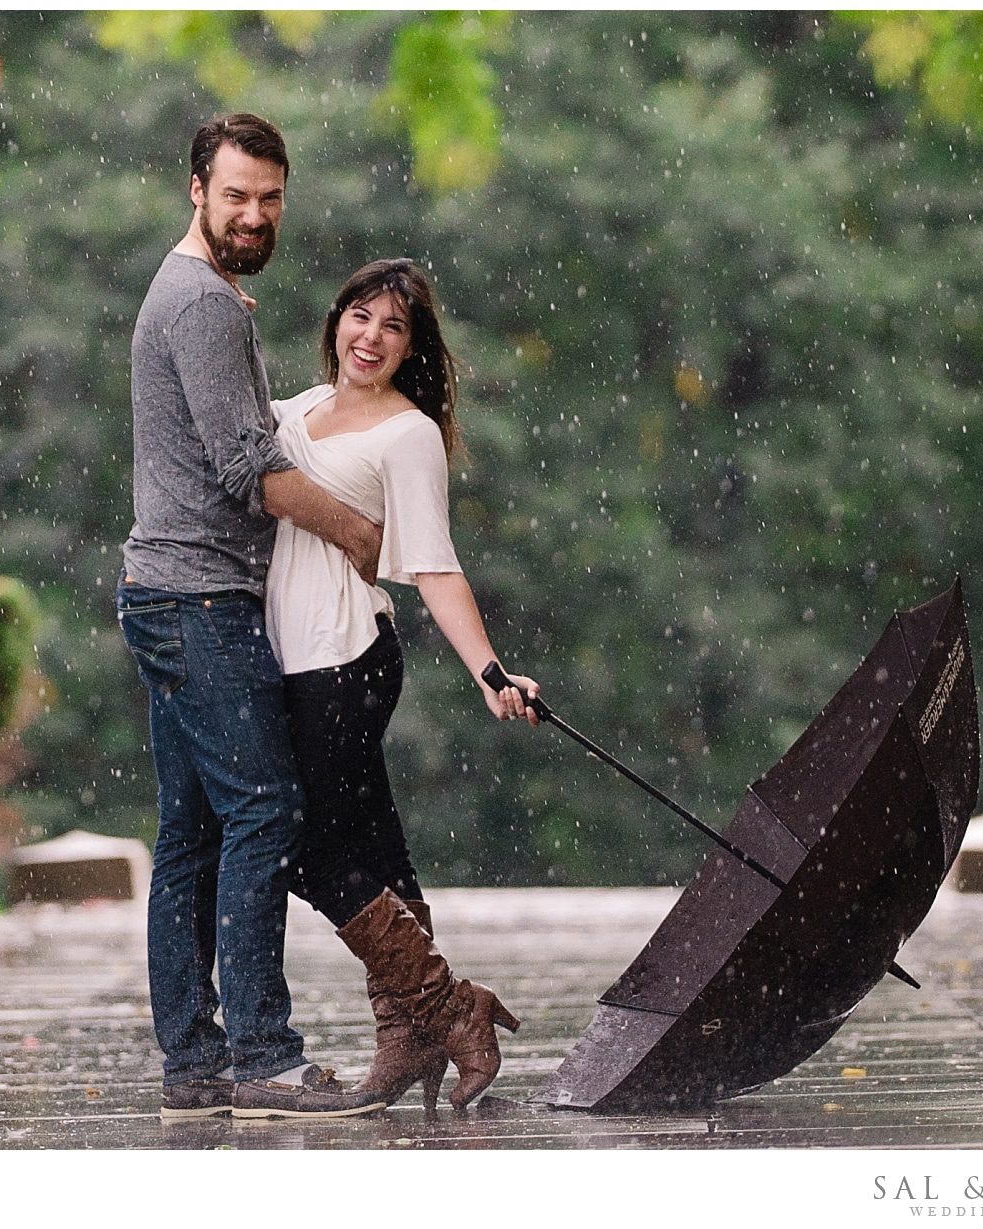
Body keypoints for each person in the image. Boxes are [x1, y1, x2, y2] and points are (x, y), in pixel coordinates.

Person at [118, 113, 388, 1120]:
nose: (253, 214)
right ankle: (263, 1057)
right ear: (196, 189)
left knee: (192, 833)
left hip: (169, 592)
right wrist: (357, 532)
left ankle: (193, 1067)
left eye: (269, 198)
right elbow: (247, 466)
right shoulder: (202, 303)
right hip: (197, 598)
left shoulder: (203, 294)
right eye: (235, 195)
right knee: (265, 808)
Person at [268, 258, 539, 1114]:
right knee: (375, 847)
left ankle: (446, 1010)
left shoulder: (409, 434)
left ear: (412, 346)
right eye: (360, 315)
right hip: (292, 658)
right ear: (336, 320)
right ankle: (413, 1031)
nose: (371, 336)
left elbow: (433, 566)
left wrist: (490, 670)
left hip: (344, 656)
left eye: (393, 325)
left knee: (302, 845)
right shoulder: (298, 409)